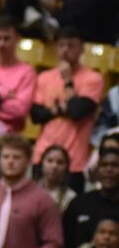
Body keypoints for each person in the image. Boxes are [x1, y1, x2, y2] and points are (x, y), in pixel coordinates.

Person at [31, 27, 103, 192]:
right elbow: (35, 115)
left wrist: (68, 82)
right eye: (61, 45)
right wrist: (59, 110)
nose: (65, 50)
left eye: (71, 46)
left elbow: (77, 112)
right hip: (42, 156)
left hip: (74, 160)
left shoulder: (93, 78)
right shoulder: (45, 77)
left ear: (82, 49)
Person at [62, 148, 119, 248]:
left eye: (115, 165)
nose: (109, 169)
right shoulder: (79, 204)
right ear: (97, 170)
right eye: (104, 165)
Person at [38, 145, 77, 212]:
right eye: (50, 161)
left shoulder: (71, 197)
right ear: (42, 163)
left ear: (66, 168)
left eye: (60, 162)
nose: (54, 166)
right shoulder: (29, 191)